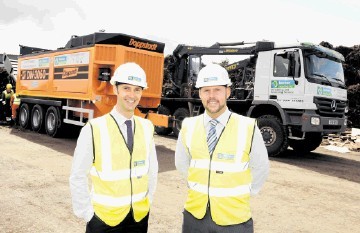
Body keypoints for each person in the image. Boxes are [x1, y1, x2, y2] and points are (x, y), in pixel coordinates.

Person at [175, 64, 270, 233]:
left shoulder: (247, 127)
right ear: (200, 93)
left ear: (228, 92)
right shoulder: (189, 126)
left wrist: (240, 195)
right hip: (195, 218)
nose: (212, 96)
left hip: (234, 220)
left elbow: (261, 168)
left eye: (217, 90)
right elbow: (182, 165)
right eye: (206, 91)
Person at [69, 62, 158, 233]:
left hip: (138, 219)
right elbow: (77, 175)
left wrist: (148, 202)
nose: (132, 95)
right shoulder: (94, 128)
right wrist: (88, 215)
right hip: (104, 220)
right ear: (115, 89)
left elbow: (152, 170)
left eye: (137, 89)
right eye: (126, 88)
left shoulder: (147, 127)